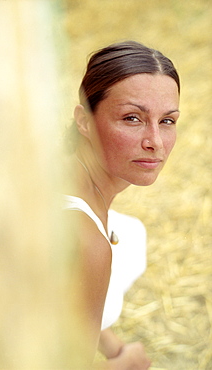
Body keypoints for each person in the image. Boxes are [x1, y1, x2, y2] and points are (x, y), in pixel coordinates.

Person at [63, 40, 180, 369]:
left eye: (168, 121)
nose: (154, 142)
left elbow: (62, 301)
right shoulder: (85, 240)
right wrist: (122, 365)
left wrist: (113, 347)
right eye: (132, 118)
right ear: (84, 121)